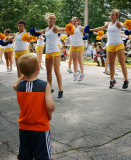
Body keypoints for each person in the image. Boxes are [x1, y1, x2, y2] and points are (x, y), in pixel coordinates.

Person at [13, 54, 54, 160]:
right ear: (38, 68)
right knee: (43, 155)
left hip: (24, 127)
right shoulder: (44, 85)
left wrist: (24, 75)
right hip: (40, 127)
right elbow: (50, 106)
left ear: (21, 71)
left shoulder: (19, 86)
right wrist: (49, 114)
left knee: (25, 155)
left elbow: (14, 85)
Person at [90, 9, 129, 89]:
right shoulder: (108, 24)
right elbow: (101, 28)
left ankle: (126, 80)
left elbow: (123, 24)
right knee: (111, 64)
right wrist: (91, 30)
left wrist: (126, 25)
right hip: (110, 45)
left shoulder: (118, 23)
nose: (111, 16)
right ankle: (112, 80)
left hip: (118, 45)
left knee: (122, 62)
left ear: (116, 16)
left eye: (113, 15)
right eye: (111, 15)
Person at [37, 13, 64, 98]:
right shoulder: (46, 29)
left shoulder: (55, 28)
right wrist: (34, 32)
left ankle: (60, 89)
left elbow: (61, 29)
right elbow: (40, 32)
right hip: (48, 51)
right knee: (48, 71)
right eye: (51, 19)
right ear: (47, 20)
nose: (52, 20)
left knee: (56, 70)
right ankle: (50, 88)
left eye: (54, 19)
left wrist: (69, 29)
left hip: (55, 51)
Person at [70, 17, 85, 81]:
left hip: (79, 45)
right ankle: (75, 73)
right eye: (73, 21)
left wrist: (93, 32)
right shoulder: (70, 27)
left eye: (75, 21)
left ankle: (82, 74)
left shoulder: (80, 27)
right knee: (74, 60)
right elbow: (64, 30)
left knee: (79, 59)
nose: (74, 22)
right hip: (73, 45)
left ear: (78, 21)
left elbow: (87, 30)